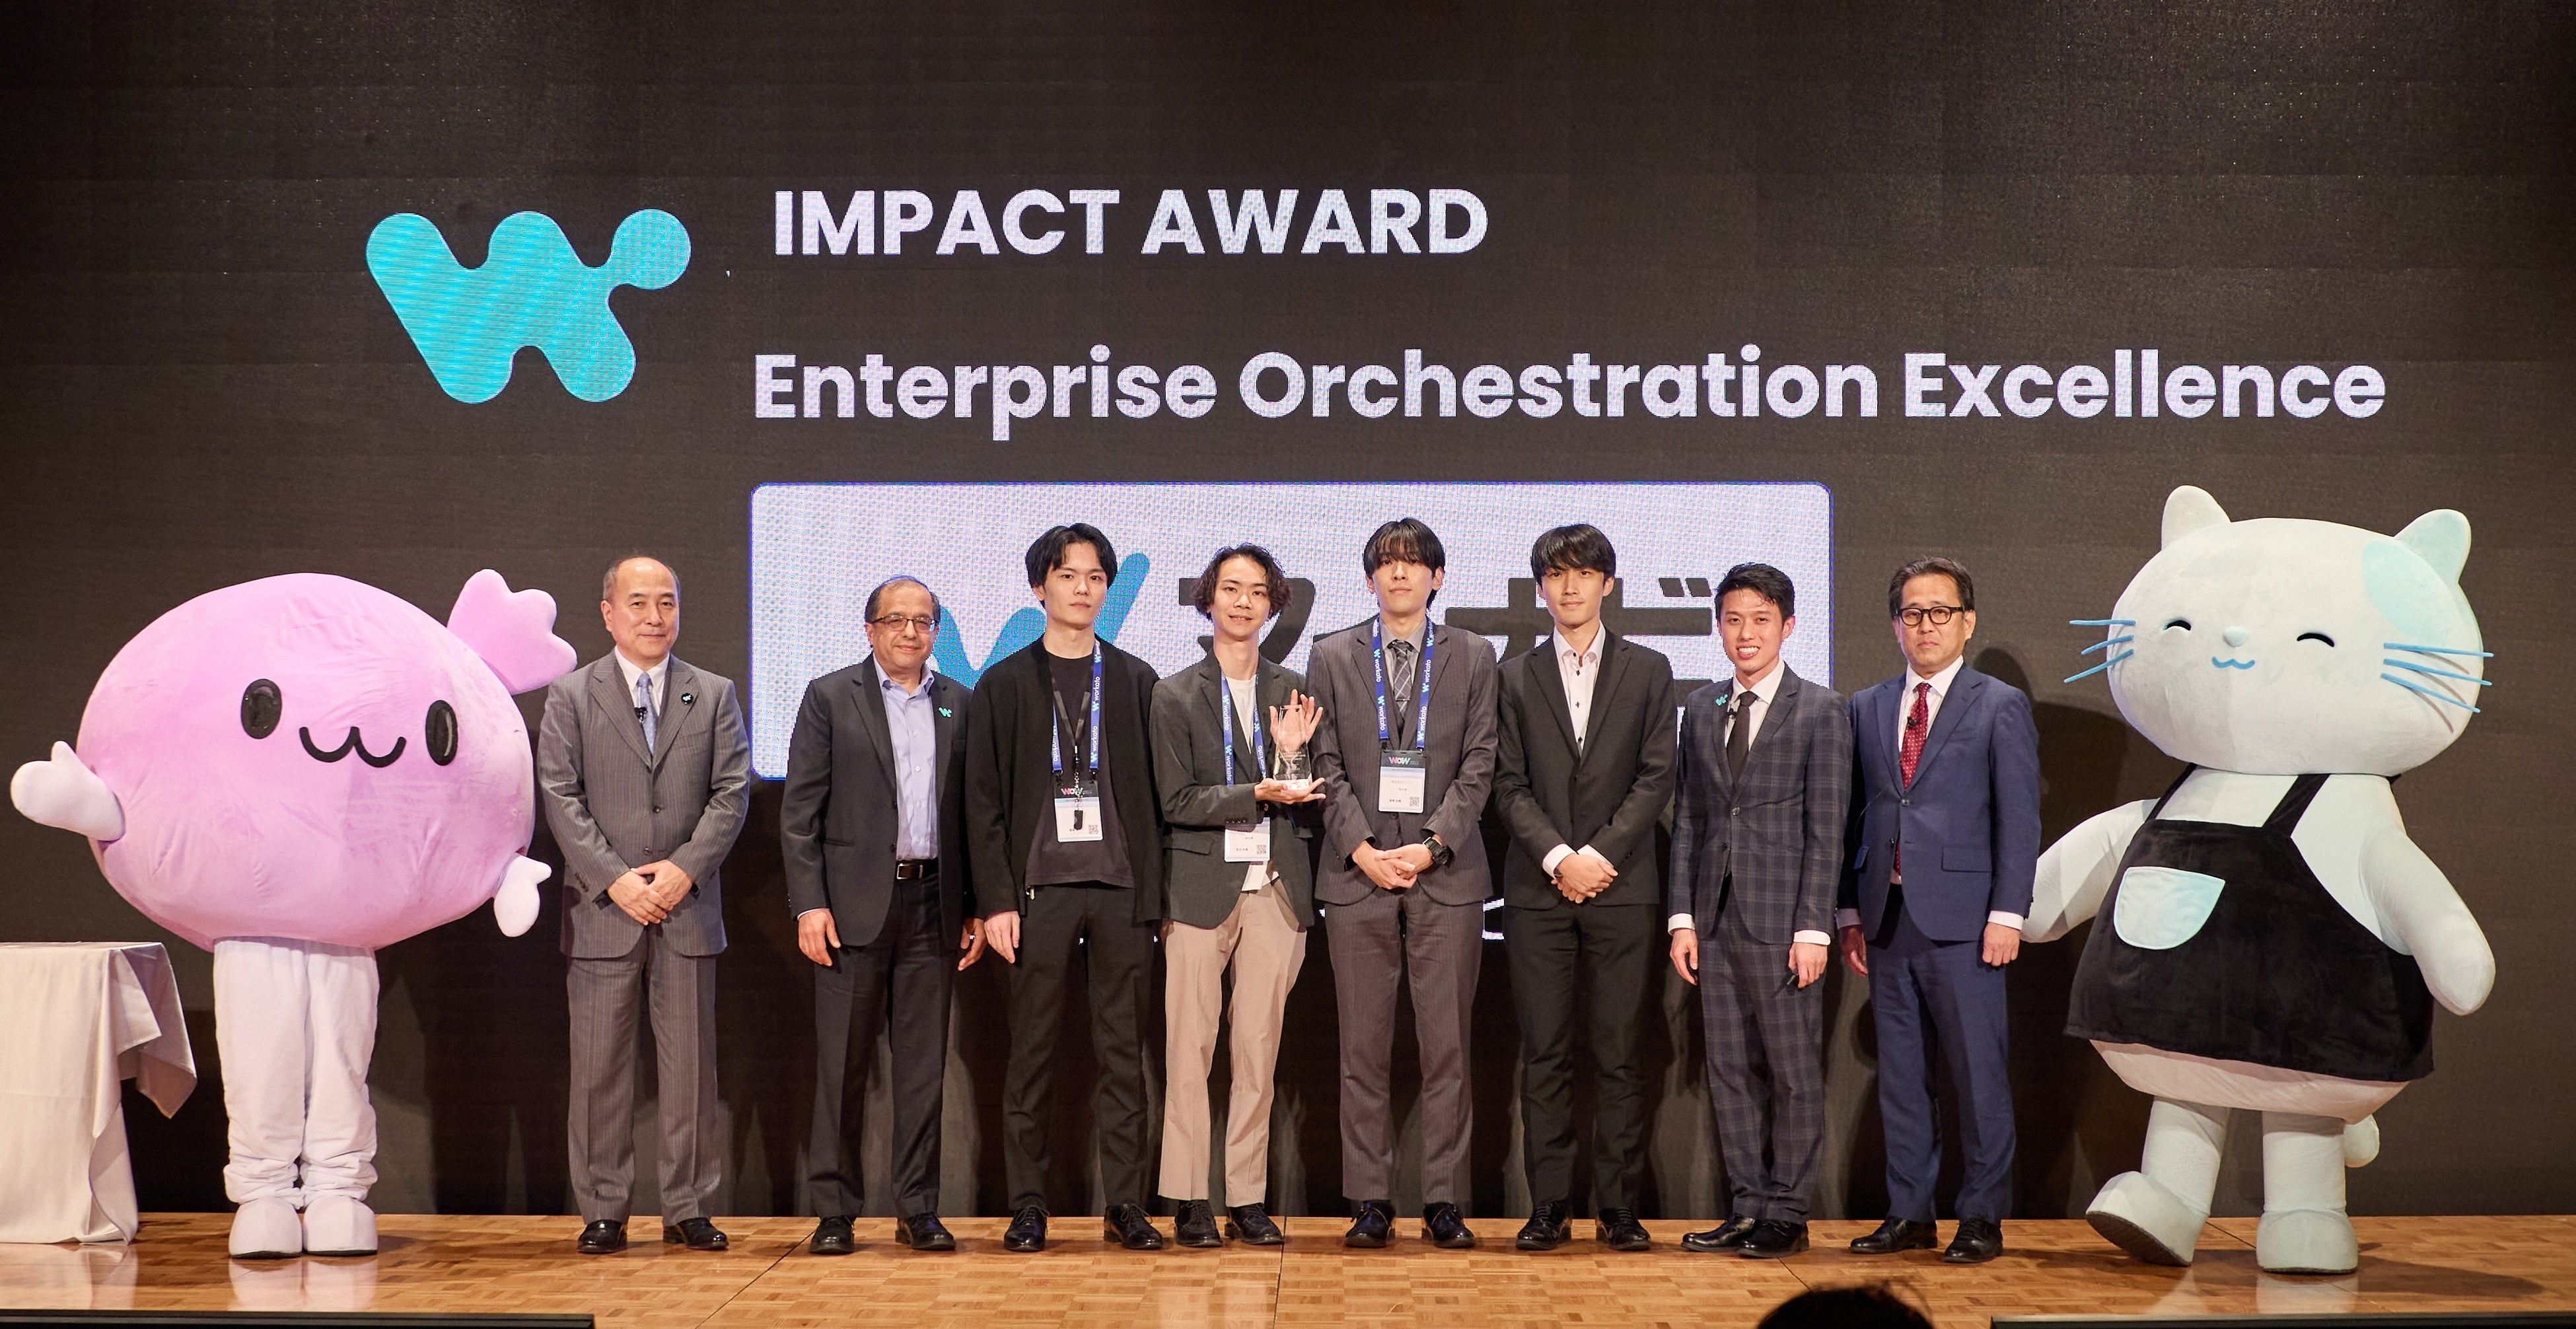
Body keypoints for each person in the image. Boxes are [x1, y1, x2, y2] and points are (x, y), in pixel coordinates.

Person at [538, 556, 751, 1256]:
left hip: (687, 908)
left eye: (667, 602)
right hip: (604, 912)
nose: (654, 616)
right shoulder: (573, 695)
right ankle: (603, 1209)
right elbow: (559, 795)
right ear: (609, 613)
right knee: (599, 1070)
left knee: (691, 1070)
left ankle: (688, 1206)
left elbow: (731, 793)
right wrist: (616, 879)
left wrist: (683, 871)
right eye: (638, 602)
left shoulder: (713, 693)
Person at [965, 524, 1168, 1253]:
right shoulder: (1004, 683)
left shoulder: (1137, 679)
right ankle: (1028, 1205)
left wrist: (1156, 897)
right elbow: (982, 802)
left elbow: (1158, 798)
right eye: (1067, 575)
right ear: (1039, 588)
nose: (1082, 588)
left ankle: (1127, 1204)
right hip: (1036, 895)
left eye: (1095, 577)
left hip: (1120, 891)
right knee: (1031, 1055)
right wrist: (995, 901)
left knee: (1123, 1057)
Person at [1838, 556, 2041, 1264]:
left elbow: (2019, 817)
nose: (1926, 625)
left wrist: (2008, 913)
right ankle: (1910, 1213)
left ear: (1967, 621)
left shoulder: (1998, 704)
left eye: (1940, 612)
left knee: (1978, 1077)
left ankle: (1981, 1215)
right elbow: (1854, 813)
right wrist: (1848, 911)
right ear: (1896, 625)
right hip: (1887, 915)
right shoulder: (1867, 705)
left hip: (1966, 922)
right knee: (1902, 1078)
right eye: (1912, 613)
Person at [1308, 517, 1500, 1251]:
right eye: (1387, 563)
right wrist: (1361, 848)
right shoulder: (1331, 654)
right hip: (1356, 877)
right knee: (1362, 1050)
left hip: (1445, 876)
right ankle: (1371, 1200)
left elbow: (1480, 761)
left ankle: (1445, 1200)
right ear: (1369, 579)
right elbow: (1323, 761)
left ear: (1436, 577)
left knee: (1447, 1048)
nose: (1399, 574)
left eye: (1414, 563)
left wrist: (1430, 846)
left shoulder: (1474, 654)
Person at [779, 575, 984, 1256]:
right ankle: (835, 1211)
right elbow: (799, 815)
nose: (910, 632)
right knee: (842, 1065)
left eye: (923, 621)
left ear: (936, 631)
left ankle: (918, 1208)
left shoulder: (959, 702)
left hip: (934, 903)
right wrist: (810, 903)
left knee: (923, 1070)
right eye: (896, 620)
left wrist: (973, 905)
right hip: (851, 907)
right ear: (869, 629)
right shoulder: (830, 696)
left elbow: (974, 816)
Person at [1489, 524, 1676, 1254]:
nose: (1570, 587)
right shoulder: (1513, 675)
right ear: (1540, 588)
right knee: (1545, 1053)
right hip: (1538, 893)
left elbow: (1656, 776)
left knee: (1620, 1052)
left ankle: (1619, 1208)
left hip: (1622, 888)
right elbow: (1507, 783)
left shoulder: (1650, 668)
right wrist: (1559, 857)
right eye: (1557, 575)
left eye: (1584, 573)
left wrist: (1597, 855)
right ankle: (1550, 1206)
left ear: (1608, 583)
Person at [1666, 563, 1852, 1258]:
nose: (1746, 633)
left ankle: (1788, 1212)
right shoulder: (1701, 705)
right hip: (1714, 919)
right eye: (1734, 620)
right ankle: (1746, 1206)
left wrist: (1814, 926)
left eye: (1761, 620)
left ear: (1788, 626)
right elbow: (1690, 819)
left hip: (1785, 922)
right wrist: (1682, 919)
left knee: (1793, 1072)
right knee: (1729, 1070)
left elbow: (1828, 828)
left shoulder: (1821, 709)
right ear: (1719, 626)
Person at [1150, 545, 1326, 1248]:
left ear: (1274, 604)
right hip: (1198, 888)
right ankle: (1190, 1196)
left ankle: (1247, 1197)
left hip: (1276, 889)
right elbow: (1175, 799)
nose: (1244, 601)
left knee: (1258, 1050)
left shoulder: (1294, 687)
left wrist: (1290, 759)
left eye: (1257, 590)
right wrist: (1255, 789)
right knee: (1189, 1048)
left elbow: (1308, 790)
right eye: (1231, 588)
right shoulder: (1173, 693)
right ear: (1208, 599)